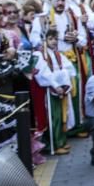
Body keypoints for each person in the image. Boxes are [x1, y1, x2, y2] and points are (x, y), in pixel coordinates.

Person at [30, 0, 88, 137]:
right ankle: (58, 134)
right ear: (51, 1)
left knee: (75, 94)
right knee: (57, 98)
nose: (61, 3)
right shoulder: (42, 19)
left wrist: (76, 39)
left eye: (63, 0)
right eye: (57, 0)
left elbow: (83, 39)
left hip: (71, 61)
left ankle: (75, 127)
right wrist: (55, 36)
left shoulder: (72, 16)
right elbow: (34, 40)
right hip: (52, 63)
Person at [34, 28, 77, 156]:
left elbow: (68, 67)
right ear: (44, 40)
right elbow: (43, 73)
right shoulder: (40, 54)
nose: (53, 42)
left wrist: (65, 81)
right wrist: (55, 84)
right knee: (53, 117)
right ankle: (55, 144)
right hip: (48, 90)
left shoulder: (57, 54)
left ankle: (61, 140)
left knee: (62, 115)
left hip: (60, 88)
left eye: (55, 39)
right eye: (50, 39)